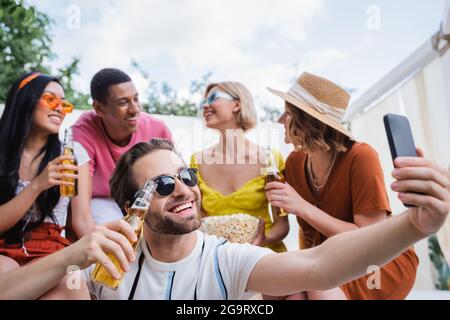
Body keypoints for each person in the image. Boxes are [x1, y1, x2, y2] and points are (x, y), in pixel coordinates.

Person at [0, 138, 448, 300]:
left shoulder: (226, 259)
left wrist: (415, 226)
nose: (181, 188)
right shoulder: (109, 264)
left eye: (186, 175)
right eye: (159, 185)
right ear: (131, 208)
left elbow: (320, 265)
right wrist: (69, 259)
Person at [265, 72, 419, 299]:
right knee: (277, 289)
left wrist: (303, 207)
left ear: (308, 122)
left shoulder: (361, 157)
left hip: (378, 263)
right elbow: (302, 234)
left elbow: (370, 236)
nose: (279, 121)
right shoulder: (294, 162)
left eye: (287, 114)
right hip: (326, 260)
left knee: (319, 287)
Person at [0, 72, 92, 299]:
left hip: (51, 247)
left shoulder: (73, 154)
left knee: (72, 285)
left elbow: (81, 220)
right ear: (25, 100)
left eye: (64, 104)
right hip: (5, 245)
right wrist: (38, 185)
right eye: (51, 99)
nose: (60, 109)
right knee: (5, 272)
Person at [190, 82, 289, 253]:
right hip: (217, 263)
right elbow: (196, 222)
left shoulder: (270, 160)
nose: (205, 105)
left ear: (237, 104)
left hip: (264, 259)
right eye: (203, 101)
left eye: (213, 98)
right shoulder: (196, 161)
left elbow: (282, 225)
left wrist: (264, 240)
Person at [72, 68, 172, 225]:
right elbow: (80, 216)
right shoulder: (83, 132)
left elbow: (174, 182)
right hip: (102, 202)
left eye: (136, 99)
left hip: (146, 199)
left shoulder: (157, 128)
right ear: (99, 108)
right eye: (123, 102)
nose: (135, 109)